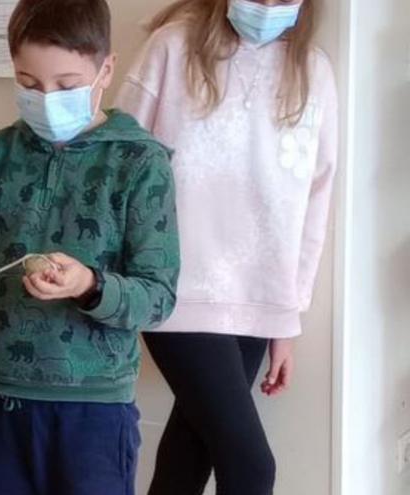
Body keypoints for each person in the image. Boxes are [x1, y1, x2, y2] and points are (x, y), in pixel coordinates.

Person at [0, 1, 181, 493]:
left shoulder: (139, 163)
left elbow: (158, 297)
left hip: (93, 415)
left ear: (105, 69)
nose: (46, 98)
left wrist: (89, 285)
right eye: (28, 84)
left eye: (66, 86)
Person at [115, 0, 337, 493]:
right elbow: (117, 162)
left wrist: (288, 316)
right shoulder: (171, 47)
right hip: (174, 289)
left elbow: (315, 201)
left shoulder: (315, 71)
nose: (267, 5)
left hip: (260, 298)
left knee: (187, 458)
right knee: (252, 466)